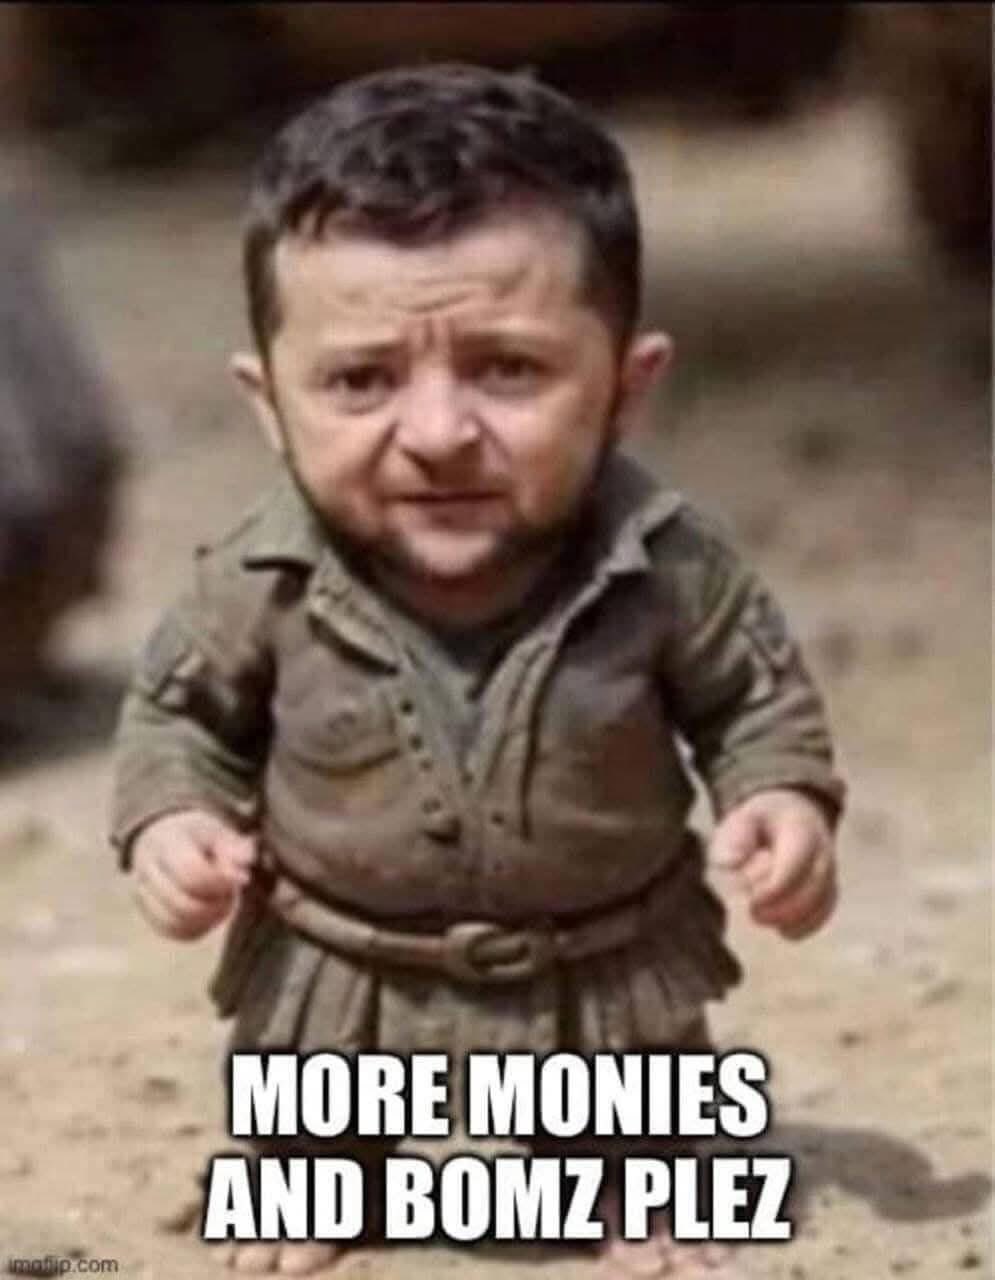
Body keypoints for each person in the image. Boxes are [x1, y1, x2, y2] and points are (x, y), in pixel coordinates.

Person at [111, 64, 844, 1279]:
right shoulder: (254, 578)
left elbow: (750, 699)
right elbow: (179, 713)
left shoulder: (669, 564)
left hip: (601, 942)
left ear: (624, 387)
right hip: (341, 945)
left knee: (636, 1082)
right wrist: (170, 821)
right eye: (360, 379)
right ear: (269, 400)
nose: (439, 433)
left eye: (508, 369)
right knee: (314, 1085)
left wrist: (782, 800)